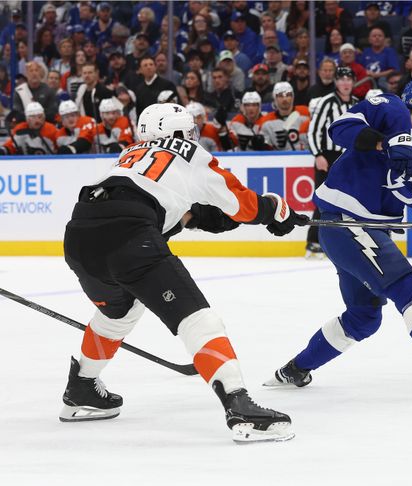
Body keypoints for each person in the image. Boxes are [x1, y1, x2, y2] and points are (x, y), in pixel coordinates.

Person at [59, 102, 307, 443]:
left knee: (119, 313)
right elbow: (241, 203)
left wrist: (214, 218)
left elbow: (186, 213)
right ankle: (239, 406)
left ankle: (81, 388)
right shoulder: (190, 153)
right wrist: (274, 210)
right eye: (189, 131)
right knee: (197, 318)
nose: (193, 136)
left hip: (79, 238)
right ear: (178, 133)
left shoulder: (129, 155)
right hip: (130, 238)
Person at [265, 77, 412, 400]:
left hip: (364, 231)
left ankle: (294, 369)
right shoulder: (390, 109)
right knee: (409, 287)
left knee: (364, 317)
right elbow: (340, 129)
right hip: (346, 222)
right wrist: (384, 143)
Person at [305, 66, 357, 258]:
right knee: (324, 202)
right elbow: (313, 131)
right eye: (341, 79)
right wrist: (318, 155)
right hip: (327, 157)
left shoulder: (356, 103)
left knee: (351, 203)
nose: (345, 82)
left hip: (349, 158)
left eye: (348, 79)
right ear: (336, 82)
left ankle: (345, 242)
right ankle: (313, 242)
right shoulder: (327, 103)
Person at [261, 82, 310, 151]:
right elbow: (266, 150)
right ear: (275, 98)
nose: (284, 99)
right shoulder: (267, 121)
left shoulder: (305, 113)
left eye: (288, 95)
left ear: (292, 97)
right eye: (280, 96)